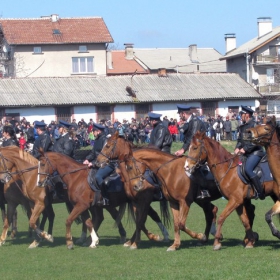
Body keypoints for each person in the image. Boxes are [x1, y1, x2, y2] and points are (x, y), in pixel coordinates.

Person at [174, 104, 209, 199]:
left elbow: (192, 138)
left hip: (201, 150)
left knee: (196, 166)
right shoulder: (189, 122)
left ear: (183, 113)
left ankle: (203, 190)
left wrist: (182, 149)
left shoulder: (195, 122)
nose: (179, 116)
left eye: (180, 114)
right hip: (194, 149)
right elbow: (186, 134)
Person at [234, 106, 265, 200]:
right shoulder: (243, 126)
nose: (240, 116)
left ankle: (260, 192)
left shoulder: (254, 125)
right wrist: (237, 147)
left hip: (256, 152)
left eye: (241, 114)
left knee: (248, 169)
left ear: (247, 115)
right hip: (246, 153)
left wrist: (245, 149)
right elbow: (240, 140)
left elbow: (256, 140)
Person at [83, 123, 113, 206]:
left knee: (98, 176)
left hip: (106, 164)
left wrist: (92, 163)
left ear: (98, 131)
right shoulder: (97, 140)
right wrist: (86, 159)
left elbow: (104, 156)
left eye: (94, 131)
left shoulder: (105, 140)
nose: (93, 133)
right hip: (98, 163)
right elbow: (93, 153)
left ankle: (105, 198)